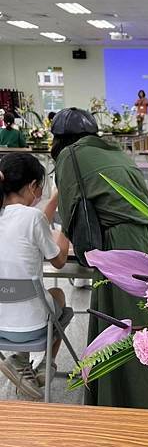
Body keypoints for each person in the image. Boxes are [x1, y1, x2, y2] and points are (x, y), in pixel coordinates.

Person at [51, 107, 148, 410]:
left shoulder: (70, 156)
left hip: (121, 246)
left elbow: (69, 214)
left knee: (123, 327)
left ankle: (124, 406)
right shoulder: (114, 152)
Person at [0, 153, 69, 400]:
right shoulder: (33, 217)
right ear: (32, 186)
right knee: (59, 296)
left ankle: (21, 363)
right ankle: (42, 365)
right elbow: (59, 261)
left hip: (0, 325)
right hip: (29, 328)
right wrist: (67, 230)